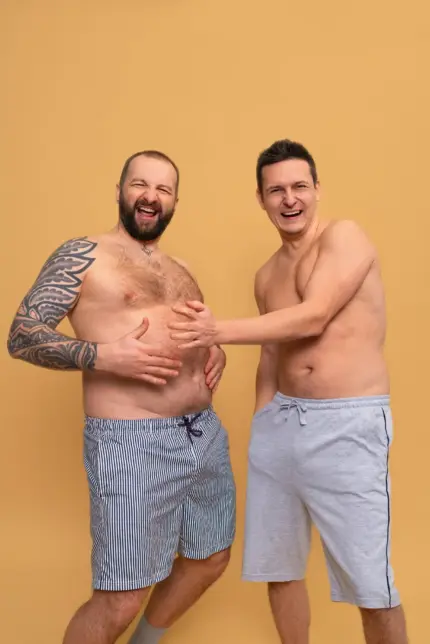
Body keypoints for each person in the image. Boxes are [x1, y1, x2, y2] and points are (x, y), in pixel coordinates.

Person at [168, 139, 408, 644]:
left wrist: (216, 331)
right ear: (261, 198)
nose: (289, 199)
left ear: (317, 189)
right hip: (280, 425)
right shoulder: (266, 276)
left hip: (347, 423)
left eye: (300, 186)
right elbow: (271, 357)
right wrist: (262, 425)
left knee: (371, 583)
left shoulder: (345, 237)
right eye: (276, 190)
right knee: (278, 567)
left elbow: (314, 315)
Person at [7, 150, 236, 644]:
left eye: (163, 189)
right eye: (140, 184)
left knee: (211, 557)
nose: (151, 196)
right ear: (119, 191)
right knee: (121, 597)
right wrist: (103, 356)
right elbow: (22, 334)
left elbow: (191, 329)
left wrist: (214, 349)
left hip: (203, 435)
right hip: (131, 440)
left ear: (174, 202)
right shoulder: (83, 255)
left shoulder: (180, 266)